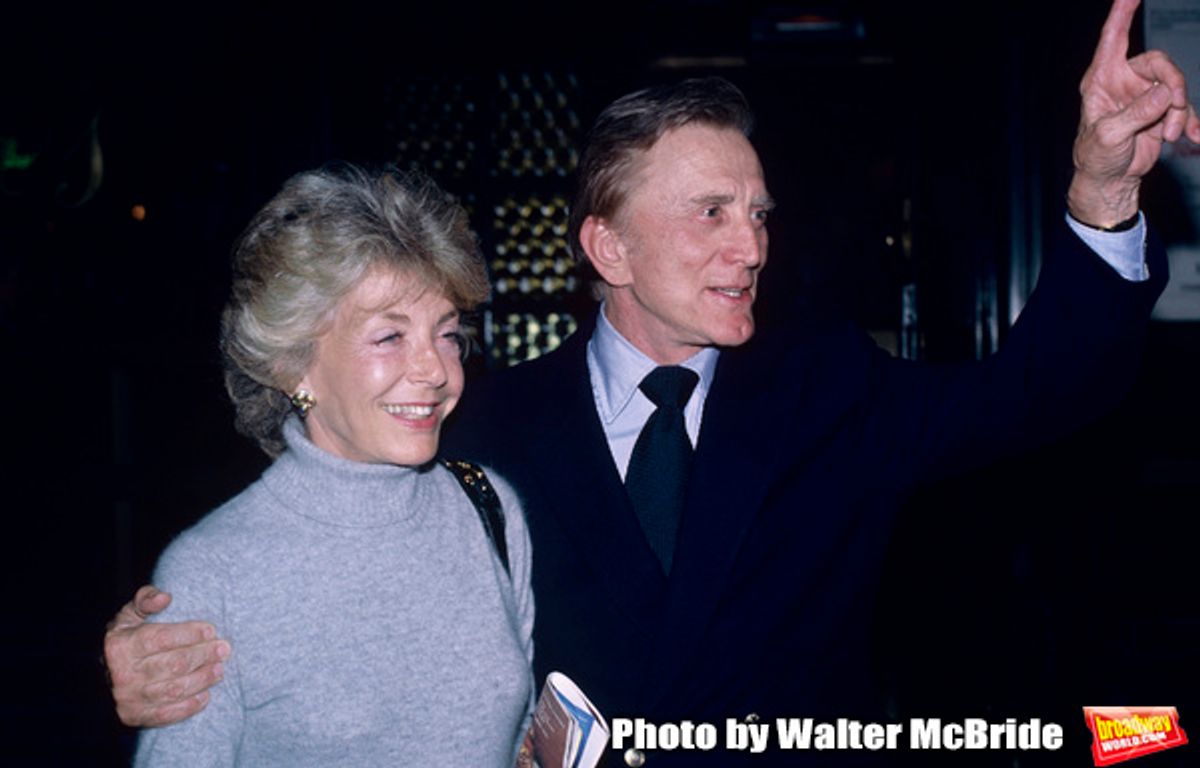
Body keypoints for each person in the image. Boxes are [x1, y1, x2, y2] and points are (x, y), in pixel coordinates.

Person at [107, 1, 1199, 764]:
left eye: (758, 212)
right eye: (709, 213)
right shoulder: (476, 427)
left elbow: (1045, 390)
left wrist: (1101, 191)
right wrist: (163, 657)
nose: (750, 246)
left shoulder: (828, 389)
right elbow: (321, 557)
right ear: (607, 248)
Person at [129, 164, 535, 767]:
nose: (435, 370)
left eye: (447, 334)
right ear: (295, 364)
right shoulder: (213, 574)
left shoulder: (486, 507)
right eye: (389, 337)